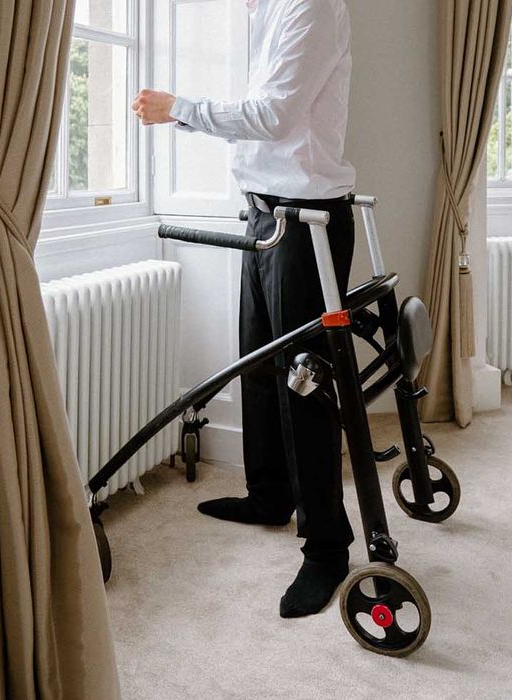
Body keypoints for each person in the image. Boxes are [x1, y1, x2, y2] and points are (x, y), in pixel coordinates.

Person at [132, 0, 356, 618]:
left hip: (307, 219)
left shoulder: (312, 7)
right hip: (265, 213)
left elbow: (273, 116)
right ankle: (269, 496)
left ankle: (328, 547)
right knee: (257, 366)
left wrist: (177, 108)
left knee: (303, 385)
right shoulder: (264, 11)